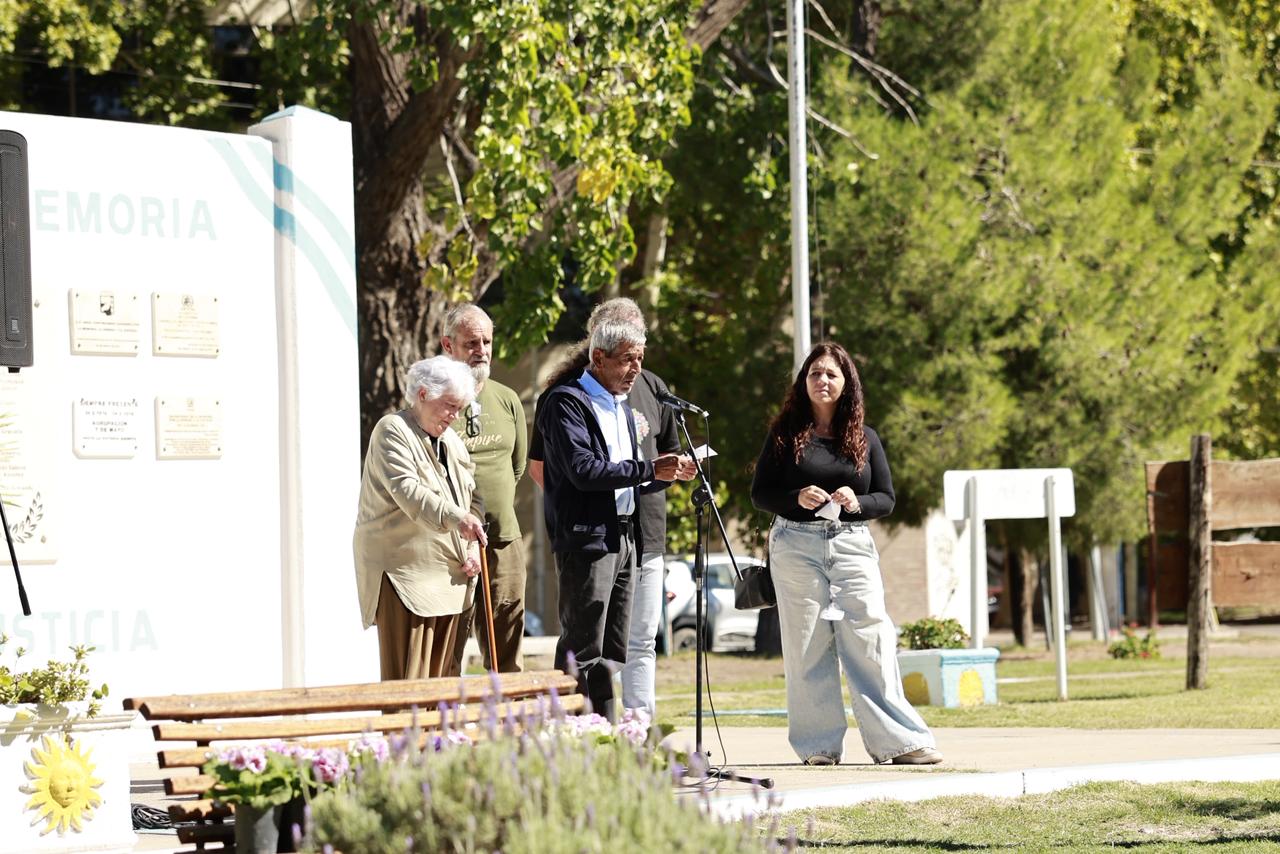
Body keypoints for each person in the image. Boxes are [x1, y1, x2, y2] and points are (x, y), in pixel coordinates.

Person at [750, 343, 942, 766]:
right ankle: (818, 746)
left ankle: (901, 741)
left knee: (872, 634)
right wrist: (796, 496)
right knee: (806, 643)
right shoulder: (784, 435)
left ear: (846, 382)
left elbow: (886, 499)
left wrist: (857, 502)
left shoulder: (865, 438)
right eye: (815, 373)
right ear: (804, 382)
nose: (822, 381)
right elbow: (760, 494)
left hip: (852, 543)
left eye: (831, 374)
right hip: (796, 544)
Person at [529, 297, 681, 719]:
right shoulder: (567, 401)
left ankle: (610, 733)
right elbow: (583, 470)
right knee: (583, 644)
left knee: (616, 647)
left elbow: (627, 471)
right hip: (588, 537)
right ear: (598, 357)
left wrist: (664, 473)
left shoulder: (621, 403)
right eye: (627, 360)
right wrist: (648, 467)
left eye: (640, 359)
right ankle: (569, 735)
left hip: (626, 534)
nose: (636, 369)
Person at [353, 356, 489, 681]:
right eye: (449, 406)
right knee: (408, 684)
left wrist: (471, 551)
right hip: (405, 575)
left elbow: (472, 497)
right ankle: (401, 735)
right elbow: (408, 491)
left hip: (450, 577)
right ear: (424, 394)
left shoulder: (453, 442)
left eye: (460, 408)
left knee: (440, 687)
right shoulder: (392, 429)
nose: (455, 416)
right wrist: (459, 519)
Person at [441, 304, 529, 674]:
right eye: (471, 342)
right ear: (448, 346)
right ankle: (444, 723)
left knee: (506, 640)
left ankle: (509, 722)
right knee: (447, 642)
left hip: (503, 539)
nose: (481, 350)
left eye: (487, 341)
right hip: (450, 543)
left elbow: (518, 466)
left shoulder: (507, 399)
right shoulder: (434, 399)